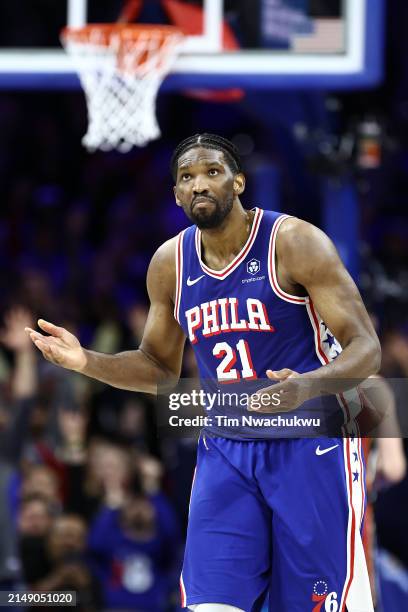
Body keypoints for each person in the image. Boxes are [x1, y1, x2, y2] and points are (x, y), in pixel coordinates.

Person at [26, 133, 381, 612]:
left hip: (309, 441)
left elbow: (366, 347)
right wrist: (85, 360)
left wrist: (309, 386)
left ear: (238, 183)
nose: (199, 184)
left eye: (212, 172)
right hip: (227, 446)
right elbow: (157, 367)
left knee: (319, 604)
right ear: (175, 194)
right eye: (186, 177)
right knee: (210, 604)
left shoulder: (294, 242)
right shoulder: (170, 263)